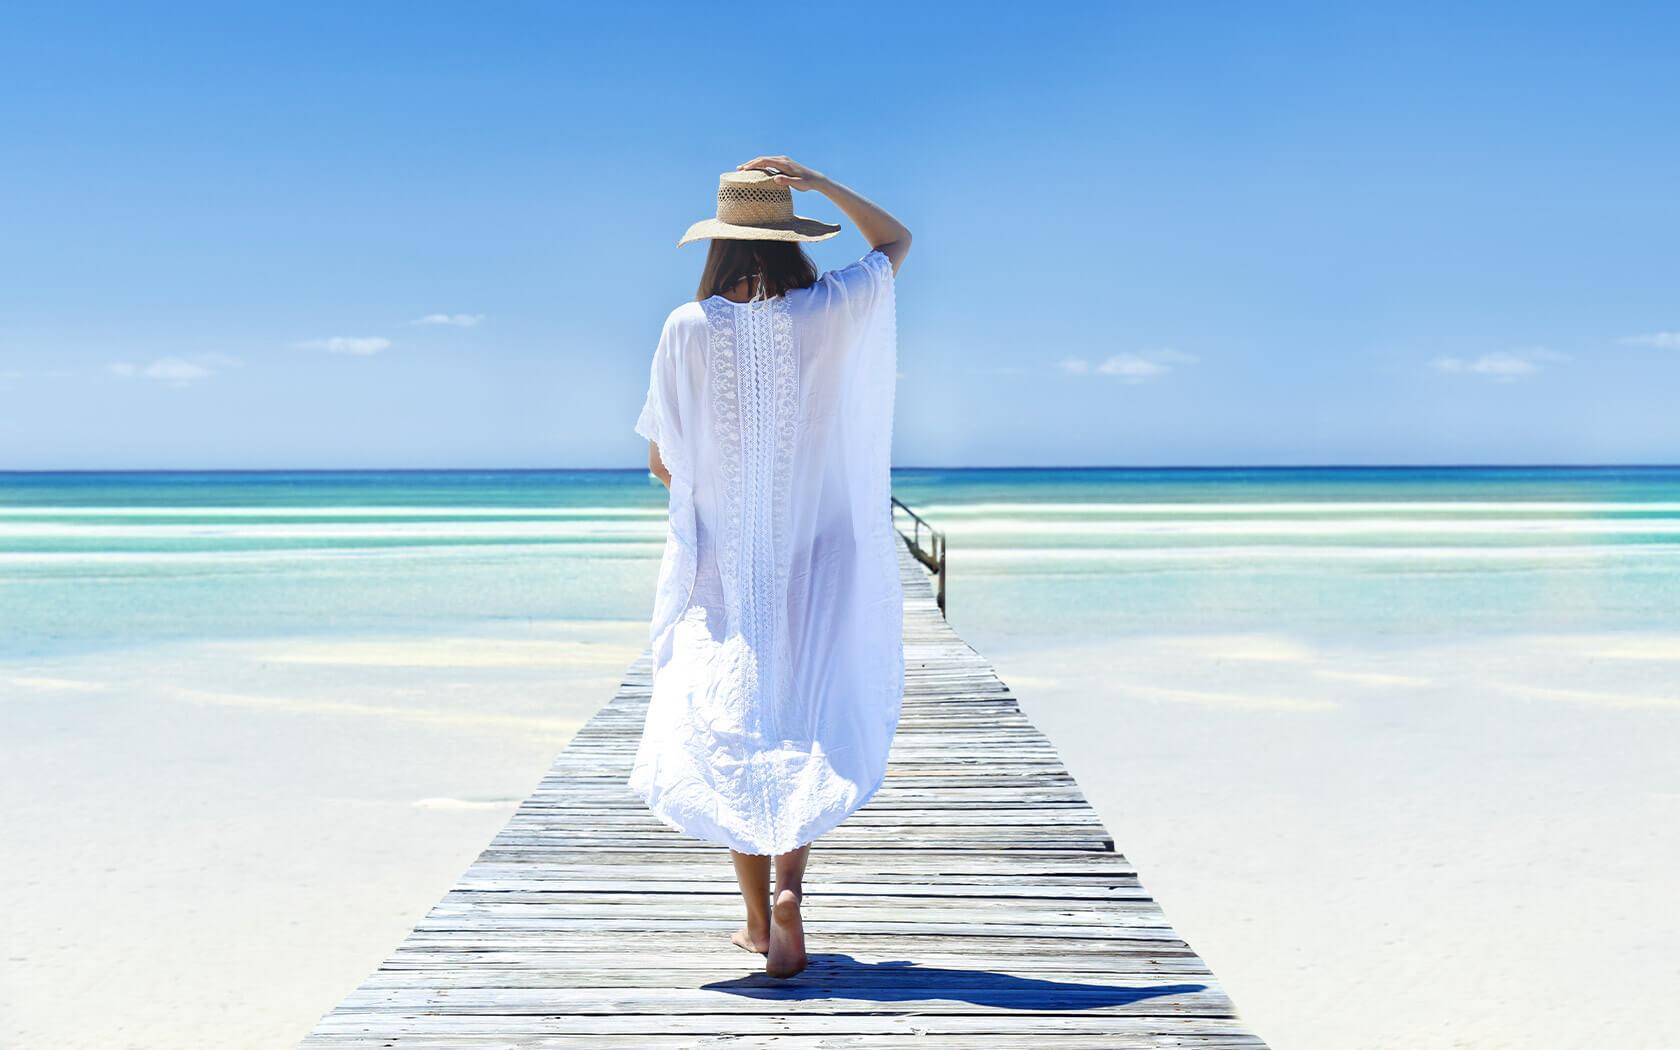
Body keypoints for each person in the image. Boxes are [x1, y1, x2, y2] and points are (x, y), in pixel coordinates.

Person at [629, 156, 911, 978]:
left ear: (716, 244)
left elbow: (661, 461)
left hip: (727, 566)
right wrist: (822, 183)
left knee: (735, 726)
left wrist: (725, 478)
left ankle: (758, 923)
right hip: (822, 556)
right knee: (807, 714)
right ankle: (793, 886)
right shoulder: (832, 308)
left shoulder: (687, 326)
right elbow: (896, 241)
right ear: (792, 236)